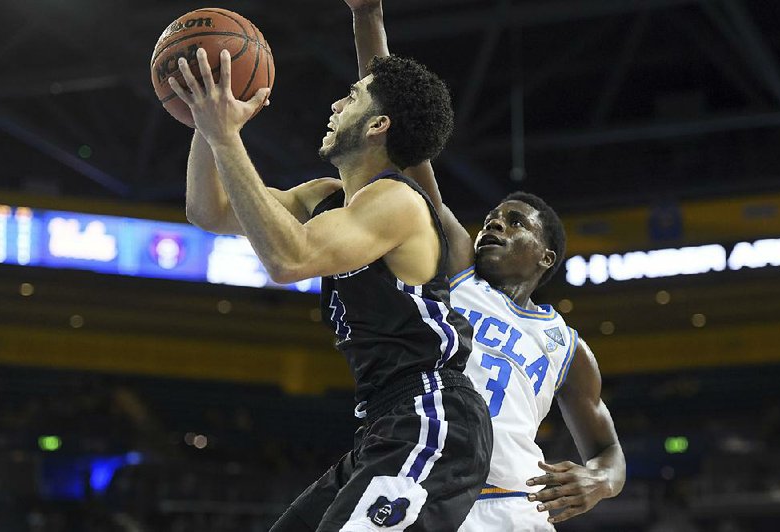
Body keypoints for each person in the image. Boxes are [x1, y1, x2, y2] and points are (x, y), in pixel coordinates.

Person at [170, 42, 493, 530]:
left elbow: (289, 258)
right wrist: (207, 124)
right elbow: (208, 212)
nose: (336, 105)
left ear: (377, 125)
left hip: (432, 413)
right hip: (383, 422)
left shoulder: (397, 202)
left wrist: (227, 135)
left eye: (353, 96)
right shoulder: (325, 198)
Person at [344, 0, 626, 529]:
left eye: (515, 222)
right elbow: (406, 141)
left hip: (515, 507)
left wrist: (600, 481)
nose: (493, 225)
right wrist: (368, 17)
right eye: (492, 219)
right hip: (426, 489)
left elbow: (609, 449)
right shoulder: (458, 268)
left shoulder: (567, 345)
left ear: (546, 256)